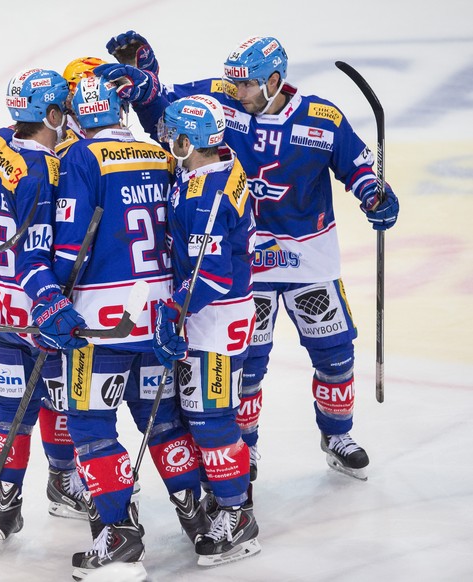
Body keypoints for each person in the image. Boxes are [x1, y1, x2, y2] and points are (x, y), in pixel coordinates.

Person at [96, 33, 401, 482]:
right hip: (246, 264)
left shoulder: (322, 119)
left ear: (274, 81)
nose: (235, 92)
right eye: (234, 83)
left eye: (246, 86)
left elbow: (356, 167)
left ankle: (337, 434)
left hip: (308, 260)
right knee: (248, 364)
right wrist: (145, 82)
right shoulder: (224, 99)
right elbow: (169, 107)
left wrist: (374, 194)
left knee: (335, 354)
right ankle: (246, 448)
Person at [35, 74, 204, 581]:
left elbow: (69, 245)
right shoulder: (159, 152)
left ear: (77, 119)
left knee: (89, 424)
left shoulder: (79, 159)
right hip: (157, 315)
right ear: (120, 112)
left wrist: (50, 300)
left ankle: (119, 532)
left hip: (98, 323)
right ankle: (196, 513)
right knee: (165, 419)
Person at [0, 68, 88, 555]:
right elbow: (39, 249)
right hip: (36, 308)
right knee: (58, 402)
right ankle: (63, 480)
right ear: (51, 114)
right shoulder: (48, 170)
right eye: (63, 111)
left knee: (9, 408)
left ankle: (5, 498)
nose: (69, 119)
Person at [151, 95, 261, 566]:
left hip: (214, 319)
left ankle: (238, 515)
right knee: (201, 416)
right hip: (215, 315)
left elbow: (210, 274)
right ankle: (226, 498)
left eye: (170, 133)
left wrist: (175, 309)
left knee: (210, 419)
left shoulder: (207, 194)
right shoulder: (210, 170)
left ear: (188, 140)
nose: (163, 140)